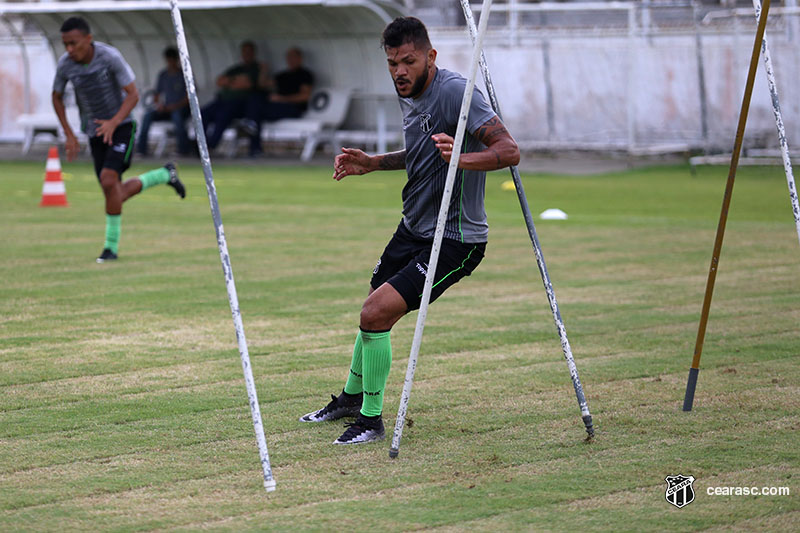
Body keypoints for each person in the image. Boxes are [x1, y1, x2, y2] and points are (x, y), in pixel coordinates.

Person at [298, 17, 520, 445]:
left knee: (375, 313)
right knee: (372, 306)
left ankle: (371, 420)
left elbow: (508, 150)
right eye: (392, 63)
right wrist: (374, 162)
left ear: (430, 57)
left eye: (409, 61)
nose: (399, 71)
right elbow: (422, 150)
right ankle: (350, 397)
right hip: (413, 227)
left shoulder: (456, 91)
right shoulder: (409, 93)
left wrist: (462, 159)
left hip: (455, 239)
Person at [52, 16, 186, 264]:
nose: (70, 49)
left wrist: (114, 121)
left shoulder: (109, 56)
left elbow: (133, 94)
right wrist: (69, 133)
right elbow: (56, 96)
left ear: (88, 39)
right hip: (95, 132)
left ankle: (110, 249)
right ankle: (164, 175)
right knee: (112, 192)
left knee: (108, 179)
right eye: (65, 44)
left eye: (74, 43)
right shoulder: (65, 65)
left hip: (122, 126)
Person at [241, 46, 314, 156]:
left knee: (255, 114)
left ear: (300, 59)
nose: (290, 60)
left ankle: (252, 137)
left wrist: (282, 99)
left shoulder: (305, 75)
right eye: (289, 57)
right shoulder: (283, 76)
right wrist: (263, 70)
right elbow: (262, 84)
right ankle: (254, 145)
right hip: (277, 106)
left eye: (293, 57)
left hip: (293, 108)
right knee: (255, 100)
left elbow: (305, 96)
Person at [201, 41, 268, 152]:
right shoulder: (236, 69)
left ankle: (211, 145)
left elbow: (247, 84)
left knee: (222, 116)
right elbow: (220, 81)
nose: (246, 54)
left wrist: (231, 82)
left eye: (249, 52)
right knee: (202, 114)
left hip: (239, 103)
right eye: (244, 52)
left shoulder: (256, 69)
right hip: (222, 100)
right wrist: (235, 80)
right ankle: (200, 144)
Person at [137, 46, 191, 157]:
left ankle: (183, 149)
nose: (170, 63)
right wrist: (159, 105)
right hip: (166, 109)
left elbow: (189, 97)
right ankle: (141, 150)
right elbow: (157, 94)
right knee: (148, 116)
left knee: (177, 117)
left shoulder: (184, 75)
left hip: (181, 109)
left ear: (177, 60)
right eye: (168, 60)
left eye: (172, 60)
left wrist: (175, 106)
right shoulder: (163, 75)